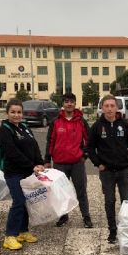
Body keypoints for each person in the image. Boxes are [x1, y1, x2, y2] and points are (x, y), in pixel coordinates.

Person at [88, 94, 128, 244]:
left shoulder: (123, 124)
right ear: (102, 108)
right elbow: (90, 148)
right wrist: (98, 163)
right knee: (109, 201)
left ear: (117, 107)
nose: (110, 109)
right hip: (107, 172)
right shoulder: (97, 126)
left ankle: (125, 230)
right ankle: (112, 231)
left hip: (124, 170)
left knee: (127, 202)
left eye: (112, 106)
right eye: (106, 106)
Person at [0, 99, 45, 250]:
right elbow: (12, 153)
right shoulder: (5, 129)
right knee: (18, 202)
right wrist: (32, 166)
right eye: (13, 112)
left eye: (19, 112)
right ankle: (10, 236)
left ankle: (23, 231)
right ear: (7, 113)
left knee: (25, 202)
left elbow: (34, 146)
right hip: (13, 173)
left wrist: (39, 162)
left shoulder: (24, 127)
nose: (16, 115)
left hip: (27, 172)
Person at [44, 92, 93, 228]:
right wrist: (47, 159)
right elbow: (50, 141)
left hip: (77, 163)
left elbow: (90, 140)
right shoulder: (55, 122)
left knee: (81, 191)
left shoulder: (81, 121)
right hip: (59, 163)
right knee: (61, 192)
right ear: (63, 104)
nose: (69, 104)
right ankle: (63, 216)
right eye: (66, 101)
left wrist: (84, 155)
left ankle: (86, 217)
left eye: (72, 101)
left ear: (75, 103)